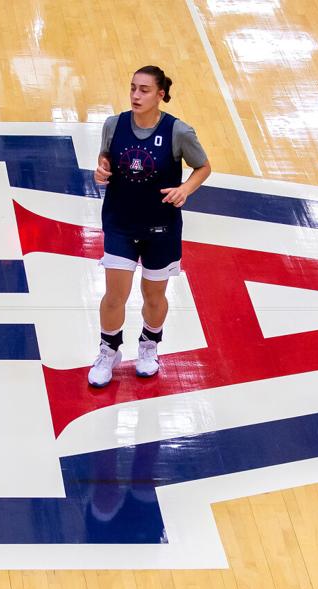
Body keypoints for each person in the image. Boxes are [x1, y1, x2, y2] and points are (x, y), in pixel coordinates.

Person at [88, 65, 211, 388]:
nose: (136, 95)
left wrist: (185, 189)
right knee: (114, 295)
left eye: (144, 90)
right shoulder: (114, 124)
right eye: (133, 88)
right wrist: (101, 170)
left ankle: (149, 345)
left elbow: (203, 166)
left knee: (154, 296)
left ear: (160, 94)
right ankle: (108, 351)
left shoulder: (178, 131)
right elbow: (105, 158)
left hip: (161, 228)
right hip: (120, 223)